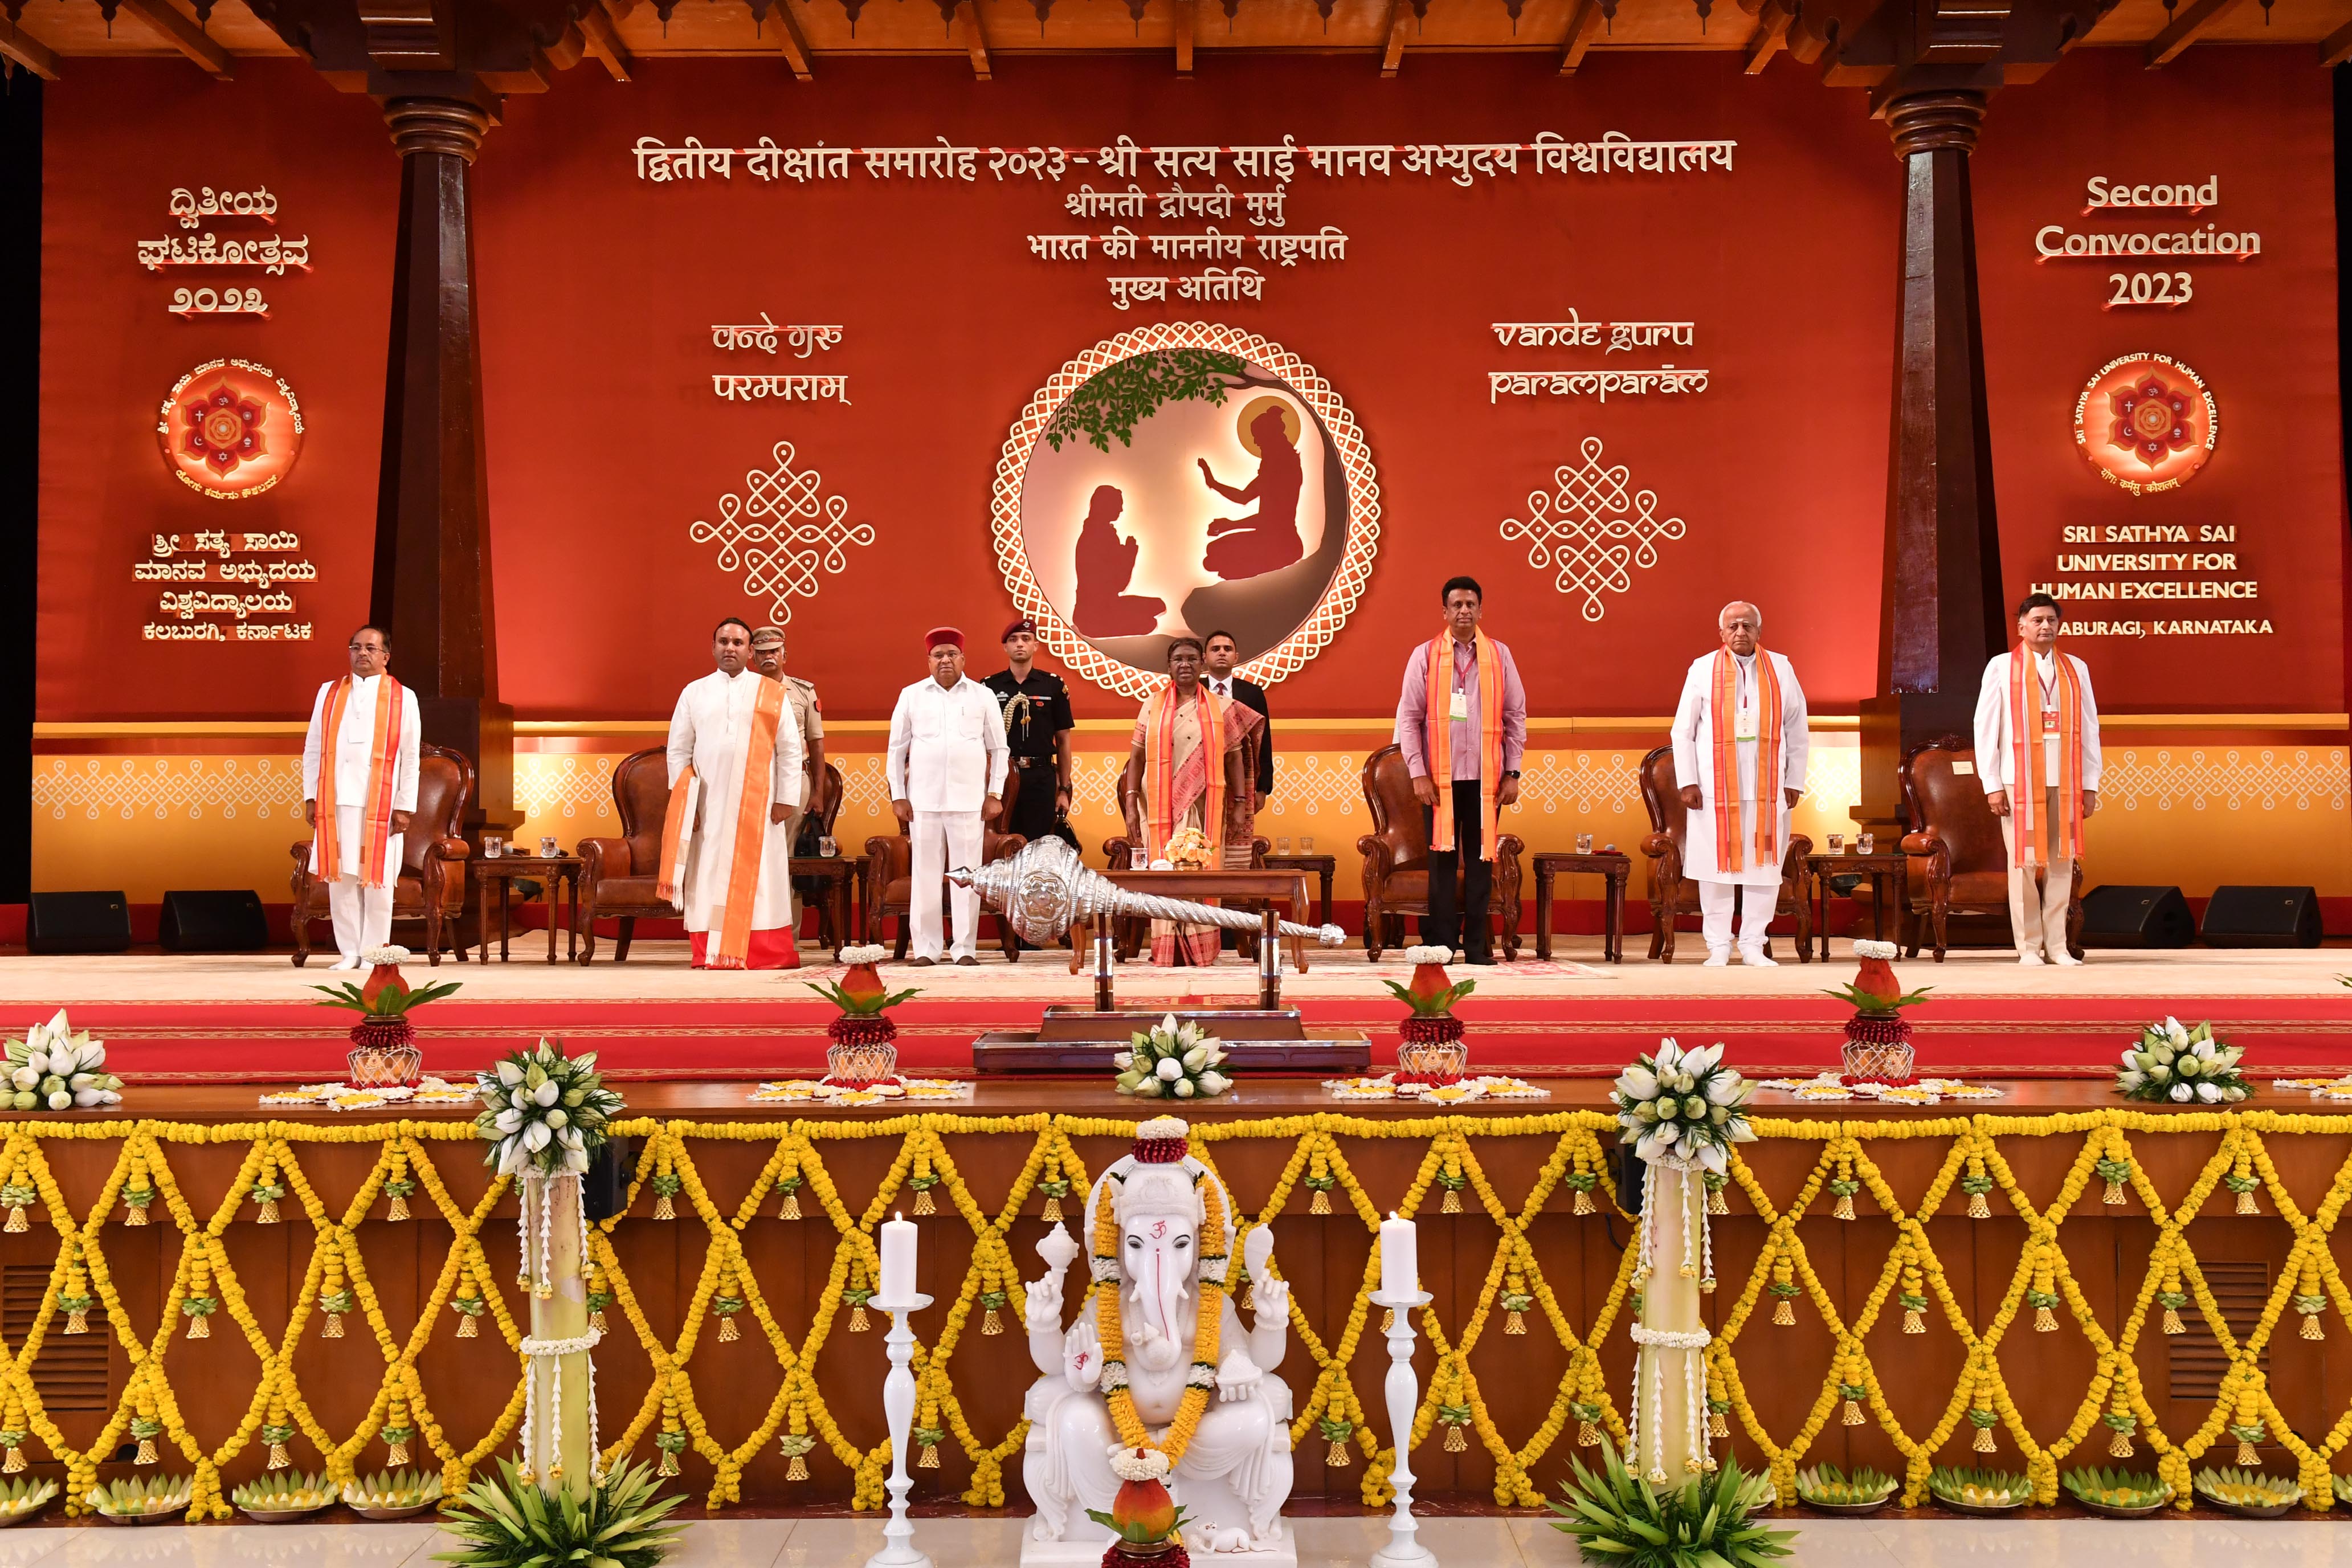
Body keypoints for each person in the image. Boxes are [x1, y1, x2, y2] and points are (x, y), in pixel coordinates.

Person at [1670, 601, 1811, 967]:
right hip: (1713, 790)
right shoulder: (1702, 669)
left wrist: (1794, 778)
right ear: (1722, 632)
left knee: (1764, 866)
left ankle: (1752, 943)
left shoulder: (1781, 667)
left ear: (1759, 631)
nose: (1740, 632)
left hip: (1768, 790)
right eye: (1733, 626)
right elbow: (1683, 731)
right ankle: (1718, 944)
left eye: (1747, 626)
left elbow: (1797, 727)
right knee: (1715, 868)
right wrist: (1688, 781)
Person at [661, 616, 807, 970]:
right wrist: (685, 804)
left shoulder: (771, 693)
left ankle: (764, 952)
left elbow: (789, 748)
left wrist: (786, 799)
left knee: (762, 878)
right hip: (707, 803)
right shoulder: (693, 692)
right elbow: (678, 750)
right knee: (708, 872)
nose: (730, 648)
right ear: (713, 648)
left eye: (738, 643)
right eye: (724, 642)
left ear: (750, 651)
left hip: (761, 804)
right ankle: (711, 951)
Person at [1395, 577, 1526, 964]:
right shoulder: (1425, 656)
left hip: (1487, 781)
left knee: (1483, 861)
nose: (1465, 611)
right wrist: (1418, 773)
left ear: (1481, 610)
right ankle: (1442, 945)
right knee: (1442, 864)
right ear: (1445, 612)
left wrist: (1512, 773)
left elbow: (1515, 716)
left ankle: (1476, 947)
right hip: (1439, 782)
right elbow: (1409, 719)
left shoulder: (1500, 656)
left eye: (1471, 604)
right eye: (1457, 605)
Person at [1975, 593, 2101, 966]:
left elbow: (2090, 728)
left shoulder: (2076, 668)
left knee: (2063, 862)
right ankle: (2029, 947)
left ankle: (2058, 947)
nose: (2045, 626)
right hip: (2019, 780)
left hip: (2066, 778)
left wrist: (2090, 784)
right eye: (2037, 620)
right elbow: (1985, 727)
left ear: (2059, 625)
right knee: (2025, 864)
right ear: (2021, 627)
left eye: (2051, 620)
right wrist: (1992, 783)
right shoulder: (2001, 667)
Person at [1122, 636, 1260, 966]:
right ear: (1168, 666)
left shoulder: (1221, 707)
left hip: (1204, 805)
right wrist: (1130, 802)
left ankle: (1200, 948)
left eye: (1191, 659)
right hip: (1156, 805)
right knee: (1164, 872)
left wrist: (1240, 802)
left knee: (1201, 871)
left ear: (1202, 665)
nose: (1185, 665)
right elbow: (1137, 756)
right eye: (1178, 660)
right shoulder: (1152, 704)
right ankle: (1168, 949)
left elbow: (1235, 759)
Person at [301, 624, 422, 970]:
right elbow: (313, 749)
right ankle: (349, 952)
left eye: (371, 648)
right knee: (341, 881)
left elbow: (411, 756)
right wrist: (312, 797)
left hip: (381, 805)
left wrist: (404, 806)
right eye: (356, 648)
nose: (362, 654)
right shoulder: (329, 693)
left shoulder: (404, 697)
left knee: (379, 883)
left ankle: (373, 954)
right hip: (335, 801)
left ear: (386, 656)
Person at [887, 627, 1008, 966]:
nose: (945, 660)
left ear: (963, 659)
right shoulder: (911, 695)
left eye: (952, 654)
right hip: (923, 802)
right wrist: (899, 795)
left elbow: (999, 749)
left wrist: (994, 793)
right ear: (928, 661)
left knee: (966, 874)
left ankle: (965, 948)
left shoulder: (983, 696)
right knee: (925, 875)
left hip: (970, 801)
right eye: (938, 655)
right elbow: (896, 750)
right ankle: (926, 949)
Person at [750, 626, 827, 933]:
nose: (768, 657)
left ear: (785, 654)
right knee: (753, 857)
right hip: (752, 781)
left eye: (774, 651)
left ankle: (787, 935)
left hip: (795, 782)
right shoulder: (743, 689)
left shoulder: (803, 692)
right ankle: (752, 931)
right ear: (752, 657)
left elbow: (817, 743)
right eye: (762, 652)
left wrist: (818, 792)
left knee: (786, 858)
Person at [1198, 402, 1305, 579]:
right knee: (1213, 552)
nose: (1256, 442)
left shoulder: (1286, 471)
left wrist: (1231, 525)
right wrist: (1213, 482)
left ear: (1271, 439)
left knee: (1218, 559)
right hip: (1266, 539)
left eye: (1259, 439)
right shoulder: (1271, 470)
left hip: (1282, 544)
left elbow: (1272, 520)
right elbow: (1243, 497)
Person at [1072, 484, 1165, 637]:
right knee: (1150, 621)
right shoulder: (1098, 536)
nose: (1121, 510)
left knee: (1158, 606)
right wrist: (1129, 554)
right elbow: (1118, 584)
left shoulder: (1096, 533)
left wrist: (1125, 554)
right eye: (1118, 505)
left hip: (1099, 608)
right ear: (1105, 506)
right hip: (1097, 615)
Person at [1202, 630, 1274, 808]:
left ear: (1236, 657)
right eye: (1215, 649)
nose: (1222, 653)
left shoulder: (1252, 693)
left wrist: (1262, 788)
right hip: (1200, 775)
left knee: (1236, 833)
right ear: (1204, 657)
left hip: (1242, 775)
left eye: (1228, 649)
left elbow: (1263, 742)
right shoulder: (1194, 690)